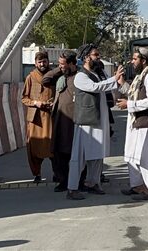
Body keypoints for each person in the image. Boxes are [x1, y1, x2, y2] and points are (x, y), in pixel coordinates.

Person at [65, 46, 123, 200]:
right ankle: (72, 188)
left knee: (97, 155)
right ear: (86, 57)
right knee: (80, 156)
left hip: (99, 120)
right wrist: (113, 79)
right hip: (86, 122)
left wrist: (117, 80)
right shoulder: (80, 76)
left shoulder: (97, 74)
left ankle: (93, 183)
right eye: (95, 55)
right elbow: (95, 88)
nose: (98, 57)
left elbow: (105, 87)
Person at [117, 48, 148, 201]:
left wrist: (129, 104)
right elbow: (131, 91)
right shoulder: (139, 77)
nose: (132, 61)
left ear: (143, 60)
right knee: (131, 156)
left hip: (146, 123)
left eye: (135, 59)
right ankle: (137, 186)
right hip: (135, 122)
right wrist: (121, 82)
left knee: (145, 158)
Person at [43, 50, 86, 193]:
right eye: (59, 64)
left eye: (63, 64)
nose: (60, 67)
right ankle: (63, 180)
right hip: (59, 120)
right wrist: (60, 68)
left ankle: (79, 181)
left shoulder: (80, 77)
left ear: (72, 63)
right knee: (58, 153)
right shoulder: (60, 77)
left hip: (74, 122)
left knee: (75, 153)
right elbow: (46, 79)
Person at [21, 51, 55, 183]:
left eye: (44, 61)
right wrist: (35, 103)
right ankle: (37, 174)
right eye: (40, 62)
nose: (42, 64)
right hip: (35, 119)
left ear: (48, 62)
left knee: (53, 146)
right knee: (34, 147)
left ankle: (56, 173)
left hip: (51, 117)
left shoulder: (54, 76)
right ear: (35, 63)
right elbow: (24, 98)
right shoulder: (30, 77)